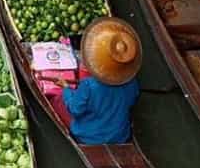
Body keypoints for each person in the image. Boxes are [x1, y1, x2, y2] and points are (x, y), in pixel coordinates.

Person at [50, 17, 143, 145]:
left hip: (90, 137)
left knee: (57, 102)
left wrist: (66, 88)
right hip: (120, 135)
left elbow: (75, 109)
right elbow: (131, 99)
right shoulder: (132, 83)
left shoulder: (89, 85)